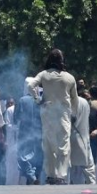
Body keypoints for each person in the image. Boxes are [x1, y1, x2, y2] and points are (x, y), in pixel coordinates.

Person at [29, 49, 78, 185]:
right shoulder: (69, 77)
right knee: (63, 144)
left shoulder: (43, 75)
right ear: (62, 60)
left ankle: (51, 174)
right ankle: (61, 175)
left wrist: (38, 100)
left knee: (49, 144)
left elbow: (30, 85)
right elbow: (75, 100)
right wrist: (74, 115)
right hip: (63, 114)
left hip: (48, 112)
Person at [15, 79, 44, 184]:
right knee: (38, 156)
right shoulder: (40, 100)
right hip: (39, 133)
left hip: (25, 134)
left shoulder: (22, 100)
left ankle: (31, 177)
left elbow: (16, 118)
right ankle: (36, 176)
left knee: (23, 156)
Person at [70, 91, 96, 184]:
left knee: (73, 166)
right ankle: (92, 184)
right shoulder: (85, 103)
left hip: (72, 137)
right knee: (88, 165)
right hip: (84, 136)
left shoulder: (69, 103)